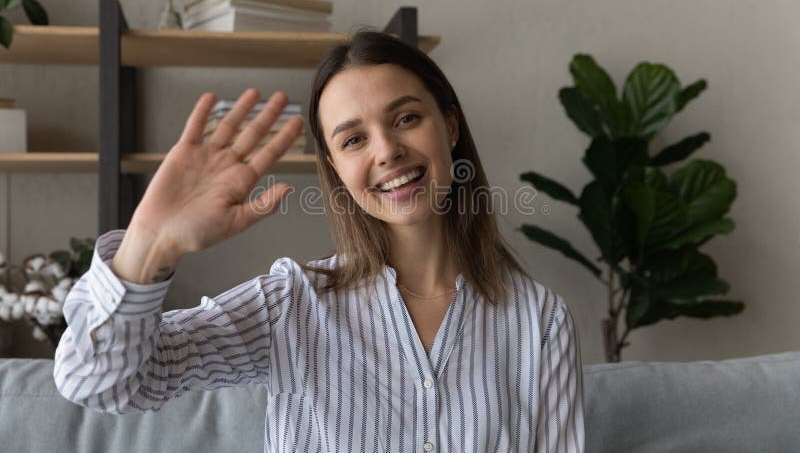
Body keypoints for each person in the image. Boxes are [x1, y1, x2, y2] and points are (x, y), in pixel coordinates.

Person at [53, 30, 585, 452]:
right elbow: (99, 385)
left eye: (406, 118)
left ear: (448, 127)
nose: (387, 151)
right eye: (354, 139)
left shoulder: (540, 323)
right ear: (335, 167)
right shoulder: (292, 305)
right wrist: (149, 247)